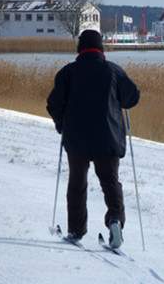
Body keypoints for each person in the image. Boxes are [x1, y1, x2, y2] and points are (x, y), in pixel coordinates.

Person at [47, 29, 140, 248]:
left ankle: (76, 230)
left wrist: (62, 125)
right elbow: (132, 98)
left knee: (77, 183)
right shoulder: (113, 71)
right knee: (110, 182)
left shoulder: (68, 72)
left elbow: (53, 104)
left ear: (80, 48)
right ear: (101, 48)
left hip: (77, 139)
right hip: (107, 138)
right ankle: (115, 220)